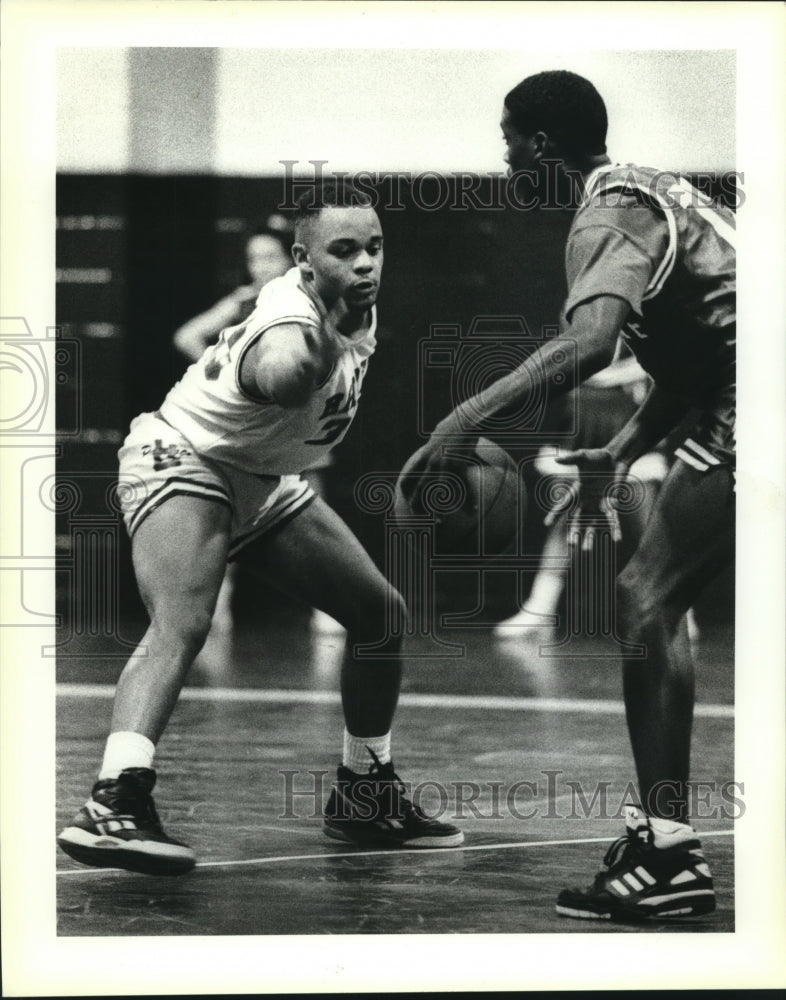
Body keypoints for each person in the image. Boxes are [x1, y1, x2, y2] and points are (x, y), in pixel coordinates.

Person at [57, 182, 463, 876]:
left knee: (377, 615)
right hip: (184, 456)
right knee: (182, 621)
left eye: (375, 247)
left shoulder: (351, 303)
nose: (366, 263)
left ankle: (366, 791)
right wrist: (306, 362)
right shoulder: (288, 312)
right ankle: (113, 801)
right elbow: (280, 371)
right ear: (304, 260)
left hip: (260, 477)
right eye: (345, 251)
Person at [408, 70, 734, 920]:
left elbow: (589, 343)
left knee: (647, 599)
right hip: (739, 391)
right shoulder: (656, 192)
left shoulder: (605, 211)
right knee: (652, 599)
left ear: (540, 143)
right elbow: (700, 361)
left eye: (508, 135)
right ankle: (663, 838)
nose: (504, 152)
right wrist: (623, 449)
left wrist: (464, 416)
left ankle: (667, 852)